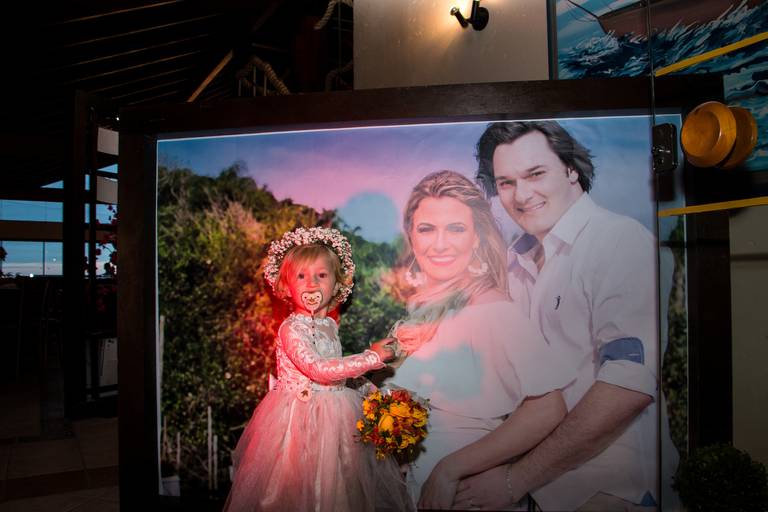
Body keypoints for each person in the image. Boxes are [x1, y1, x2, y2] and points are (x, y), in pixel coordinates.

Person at [451, 121, 659, 511]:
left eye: (535, 174)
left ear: (570, 169)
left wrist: (514, 480)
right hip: (530, 489)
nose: (521, 195)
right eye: (506, 182)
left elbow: (627, 388)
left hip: (605, 491)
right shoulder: (513, 262)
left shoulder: (618, 240)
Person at [382, 170, 575, 509]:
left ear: (477, 238)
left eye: (456, 228)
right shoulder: (429, 311)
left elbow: (548, 408)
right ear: (411, 236)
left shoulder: (494, 311)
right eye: (427, 229)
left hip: (464, 496)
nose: (440, 244)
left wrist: (449, 471)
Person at [223, 226, 413, 512]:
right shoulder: (291, 328)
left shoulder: (329, 325)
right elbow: (319, 369)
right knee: (303, 489)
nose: (311, 283)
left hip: (335, 418)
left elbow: (337, 372)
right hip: (300, 423)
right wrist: (371, 357)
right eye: (301, 276)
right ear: (286, 286)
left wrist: (370, 391)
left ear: (337, 285)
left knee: (339, 489)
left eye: (321, 275)